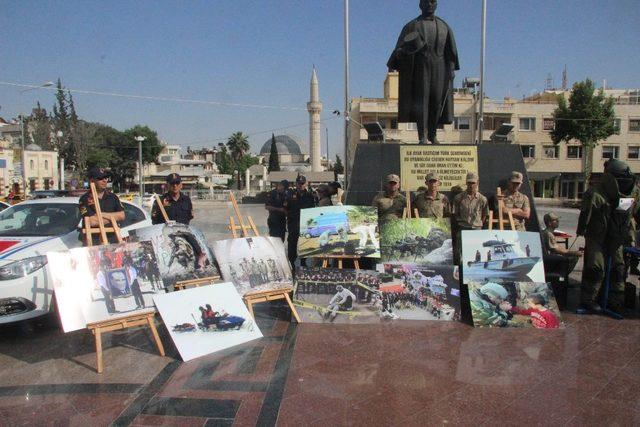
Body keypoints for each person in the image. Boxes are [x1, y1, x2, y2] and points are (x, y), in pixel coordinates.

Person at [387, 0, 459, 144]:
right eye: (427, 2)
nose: (430, 5)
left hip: (439, 69)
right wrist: (404, 52)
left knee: (437, 102)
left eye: (433, 2)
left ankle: (432, 135)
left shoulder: (444, 26)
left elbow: (450, 52)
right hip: (420, 69)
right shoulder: (411, 26)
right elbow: (398, 52)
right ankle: (422, 136)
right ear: (420, 5)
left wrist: (451, 69)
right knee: (422, 102)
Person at [577, 159, 640, 315]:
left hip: (617, 237)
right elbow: (585, 215)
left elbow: (637, 212)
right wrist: (581, 231)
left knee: (618, 268)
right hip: (596, 236)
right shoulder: (595, 192)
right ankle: (589, 299)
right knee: (596, 267)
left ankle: (615, 300)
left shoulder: (633, 193)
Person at [79, 167, 125, 246]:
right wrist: (114, 218)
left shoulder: (113, 197)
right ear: (92, 181)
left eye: (106, 178)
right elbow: (91, 221)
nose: (104, 180)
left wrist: (101, 214)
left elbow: (122, 215)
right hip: (94, 242)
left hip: (113, 240)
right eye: (100, 178)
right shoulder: (85, 199)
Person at [452, 173, 488, 262]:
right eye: (469, 183)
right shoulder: (459, 198)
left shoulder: (482, 199)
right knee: (459, 254)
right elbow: (455, 214)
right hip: (463, 228)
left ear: (477, 183)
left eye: (473, 183)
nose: (471, 185)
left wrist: (478, 224)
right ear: (466, 183)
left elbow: (484, 214)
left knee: (476, 252)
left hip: (476, 229)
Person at [284, 175, 317, 267]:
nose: (301, 185)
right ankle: (291, 262)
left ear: (306, 184)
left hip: (305, 225)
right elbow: (285, 208)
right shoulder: (290, 195)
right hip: (293, 224)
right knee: (292, 244)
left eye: (302, 184)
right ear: (296, 184)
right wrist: (290, 217)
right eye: (299, 183)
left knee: (305, 243)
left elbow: (313, 210)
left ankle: (303, 262)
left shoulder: (310, 196)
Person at [541, 212, 582, 277]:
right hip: (547, 260)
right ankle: (562, 278)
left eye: (558, 219)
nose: (558, 221)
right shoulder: (548, 234)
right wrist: (574, 253)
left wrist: (568, 251)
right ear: (549, 223)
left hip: (548, 258)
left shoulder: (548, 232)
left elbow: (557, 247)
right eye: (555, 220)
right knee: (571, 258)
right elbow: (556, 250)